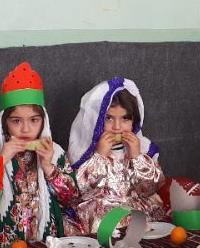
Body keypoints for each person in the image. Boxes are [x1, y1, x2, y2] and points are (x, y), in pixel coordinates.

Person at [0, 62, 78, 245]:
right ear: (4, 123)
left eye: (34, 120)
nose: (26, 129)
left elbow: (71, 200)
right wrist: (0, 161)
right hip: (5, 245)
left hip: (48, 242)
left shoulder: (55, 152)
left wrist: (48, 167)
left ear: (43, 121)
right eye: (16, 121)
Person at [67, 78, 165, 233]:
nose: (117, 127)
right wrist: (99, 156)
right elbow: (80, 191)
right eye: (109, 118)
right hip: (102, 211)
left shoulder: (142, 148)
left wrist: (137, 157)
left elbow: (150, 189)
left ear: (134, 121)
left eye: (125, 118)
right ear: (96, 119)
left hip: (135, 207)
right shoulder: (84, 151)